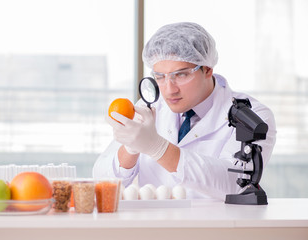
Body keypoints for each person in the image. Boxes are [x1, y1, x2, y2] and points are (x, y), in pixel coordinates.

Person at [92, 22, 276, 200]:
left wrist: (157, 147)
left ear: (207, 69)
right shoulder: (149, 108)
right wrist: (131, 147)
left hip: (216, 228)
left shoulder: (252, 116)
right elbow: (102, 181)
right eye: (160, 76)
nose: (169, 89)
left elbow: (236, 185)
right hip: (153, 227)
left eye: (180, 74)